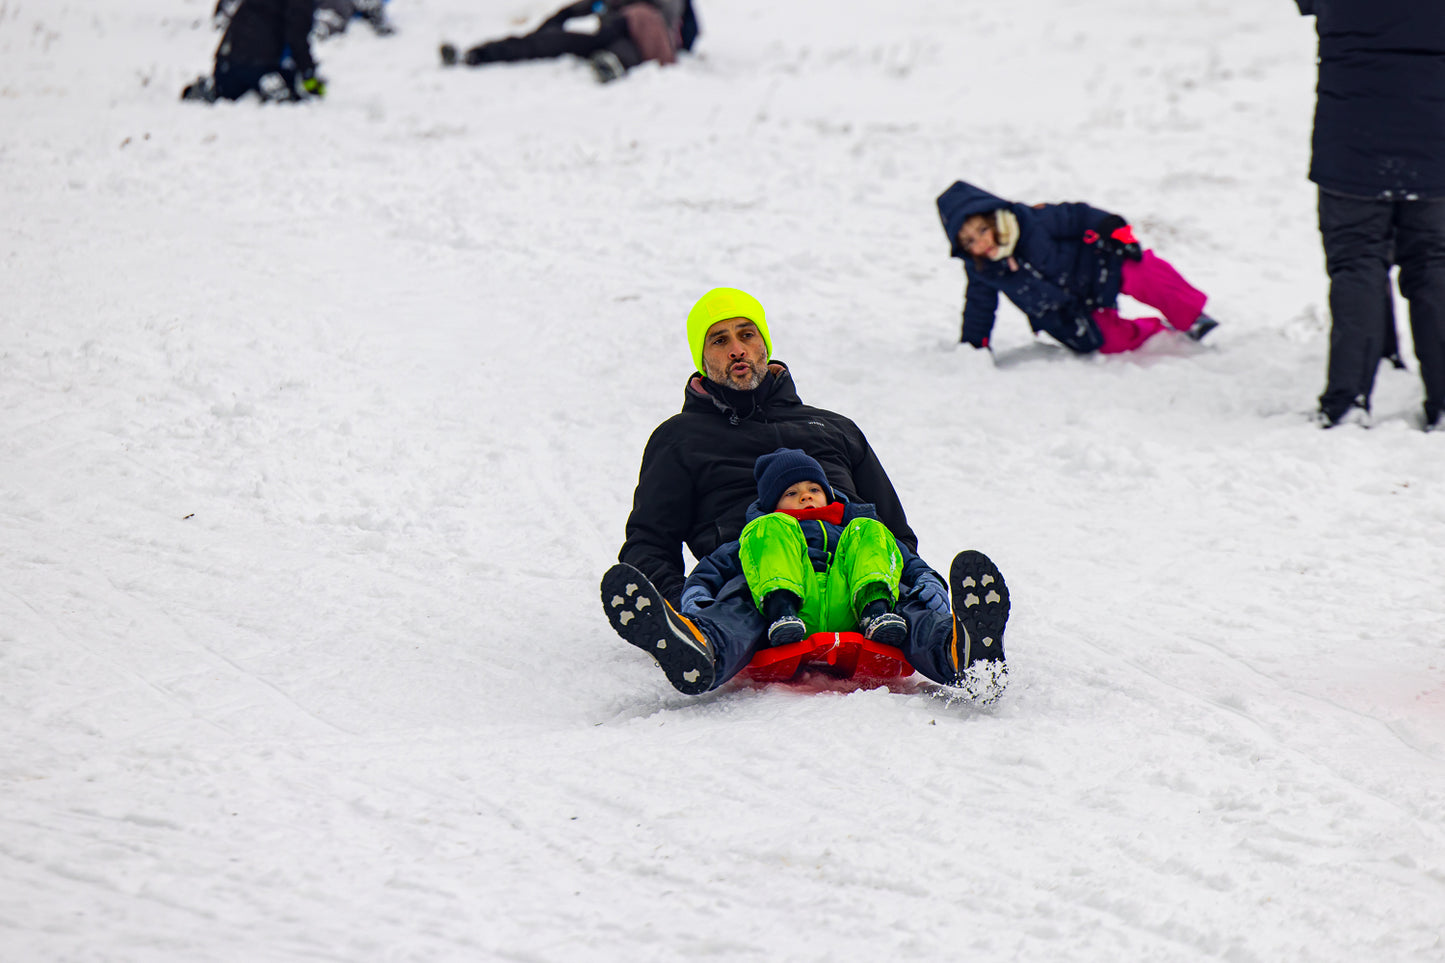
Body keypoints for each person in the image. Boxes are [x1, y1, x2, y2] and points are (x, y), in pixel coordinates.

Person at [599, 287, 1011, 701]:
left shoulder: (833, 427)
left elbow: (892, 530)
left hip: (857, 577)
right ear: (701, 358)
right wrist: (680, 609)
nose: (737, 349)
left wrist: (917, 585)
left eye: (747, 334)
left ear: (765, 343)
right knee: (735, 609)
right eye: (719, 340)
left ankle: (963, 656)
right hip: (758, 581)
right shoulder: (681, 438)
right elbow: (649, 543)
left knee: (908, 608)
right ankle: (698, 644)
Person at [1296, 0, 1445, 431]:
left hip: (1350, 144)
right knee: (1434, 264)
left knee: (1355, 265)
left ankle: (1347, 402)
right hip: (1434, 138)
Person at [935, 180, 1221, 356]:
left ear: (993, 218)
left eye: (982, 230)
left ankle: (1193, 318)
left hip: (1097, 270)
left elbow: (1079, 216)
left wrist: (1116, 232)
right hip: (1069, 315)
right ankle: (1159, 336)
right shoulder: (984, 269)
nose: (981, 242)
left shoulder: (1031, 221)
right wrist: (974, 348)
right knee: (1111, 341)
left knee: (1143, 270)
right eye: (969, 241)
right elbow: (979, 308)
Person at [691, 447, 912, 650]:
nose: (806, 496)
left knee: (869, 527)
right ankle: (778, 613)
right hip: (791, 614)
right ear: (773, 504)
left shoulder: (849, 530)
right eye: (791, 493)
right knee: (768, 528)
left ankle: (876, 613)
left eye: (814, 489)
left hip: (849, 606)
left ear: (828, 495)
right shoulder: (762, 534)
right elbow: (713, 567)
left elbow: (901, 557)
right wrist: (696, 598)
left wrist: (925, 579)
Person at [439, 0, 699, 85]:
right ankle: (477, 54)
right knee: (556, 42)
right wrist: (544, 31)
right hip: (609, 36)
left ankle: (613, 64)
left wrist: (677, 46)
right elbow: (576, 10)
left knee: (622, 42)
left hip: (644, 39)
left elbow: (690, 30)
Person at [181, 0, 324, 103]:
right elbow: (297, 38)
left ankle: (215, 87)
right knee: (291, 87)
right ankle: (274, 87)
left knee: (228, 85)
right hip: (261, 65)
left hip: (227, 63)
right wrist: (309, 75)